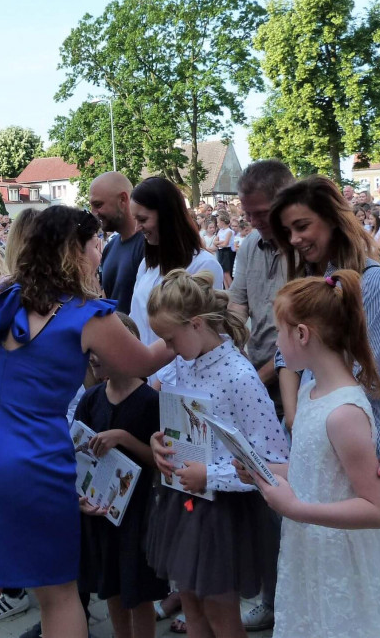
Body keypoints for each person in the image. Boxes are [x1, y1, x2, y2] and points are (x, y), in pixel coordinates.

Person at [0, 207, 173, 638]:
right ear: (74, 250)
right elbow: (145, 360)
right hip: (35, 462)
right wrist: (188, 323)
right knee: (58, 592)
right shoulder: (88, 315)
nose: (99, 251)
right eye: (94, 242)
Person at [244, 271, 380, 637]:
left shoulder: (344, 412)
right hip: (312, 549)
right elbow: (316, 471)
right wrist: (264, 470)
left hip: (341, 559)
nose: (277, 347)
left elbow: (379, 509)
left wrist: (295, 509)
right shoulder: (311, 389)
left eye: (278, 333)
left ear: (302, 334)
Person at [269, 175, 380, 554]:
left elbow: (370, 373)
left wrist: (313, 415)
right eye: (288, 231)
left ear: (333, 219)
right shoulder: (311, 278)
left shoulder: (373, 281)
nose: (296, 239)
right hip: (314, 425)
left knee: (362, 564)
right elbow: (285, 356)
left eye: (302, 226)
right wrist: (294, 416)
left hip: (355, 436)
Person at [145, 270, 289, 638]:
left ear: (196, 324)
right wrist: (158, 444)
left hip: (224, 513)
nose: (168, 348)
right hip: (184, 503)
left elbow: (272, 461)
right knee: (191, 603)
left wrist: (211, 475)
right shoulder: (181, 363)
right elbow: (170, 417)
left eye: (170, 338)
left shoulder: (240, 377)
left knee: (219, 611)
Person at [225, 158, 294, 630]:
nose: (252, 223)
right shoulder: (251, 244)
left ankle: (286, 598)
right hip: (255, 376)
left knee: (286, 497)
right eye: (247, 214)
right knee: (259, 497)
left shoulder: (304, 242)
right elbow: (237, 305)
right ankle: (270, 595)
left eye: (261, 213)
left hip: (293, 383)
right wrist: (229, 356)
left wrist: (256, 377)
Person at [76, 314, 168, 638]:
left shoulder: (151, 402)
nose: (92, 357)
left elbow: (159, 462)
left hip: (139, 518)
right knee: (111, 588)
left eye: (100, 349)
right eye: (90, 350)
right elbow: (77, 458)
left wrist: (124, 438)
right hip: (102, 516)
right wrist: (80, 498)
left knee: (138, 593)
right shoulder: (90, 400)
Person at [128, 176, 223, 387]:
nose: (137, 228)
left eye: (143, 220)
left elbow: (204, 336)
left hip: (180, 387)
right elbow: (136, 323)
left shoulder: (203, 266)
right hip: (146, 382)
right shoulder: (147, 265)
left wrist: (158, 380)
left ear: (166, 216)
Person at [89, 172, 145, 315]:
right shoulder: (110, 248)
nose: (94, 213)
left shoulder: (147, 245)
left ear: (123, 199)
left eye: (98, 205)